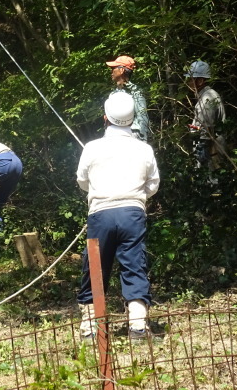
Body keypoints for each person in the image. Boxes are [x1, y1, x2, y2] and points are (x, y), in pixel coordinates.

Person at [76, 92, 160, 341]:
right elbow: (153, 185)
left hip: (100, 214)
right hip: (132, 214)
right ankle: (137, 326)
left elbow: (82, 181)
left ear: (105, 118)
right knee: (134, 264)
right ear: (132, 119)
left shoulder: (92, 148)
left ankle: (90, 328)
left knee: (95, 265)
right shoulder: (144, 149)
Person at [185, 60, 226, 169]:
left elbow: (207, 130)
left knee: (211, 181)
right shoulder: (207, 95)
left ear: (200, 81)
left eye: (190, 79)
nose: (188, 82)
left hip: (211, 151)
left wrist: (202, 150)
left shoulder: (207, 98)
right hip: (212, 148)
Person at [106, 55, 150, 143]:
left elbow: (142, 116)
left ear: (122, 70)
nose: (111, 72)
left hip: (133, 135)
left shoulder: (136, 91)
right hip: (114, 134)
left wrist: (142, 141)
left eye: (114, 68)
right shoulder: (114, 93)